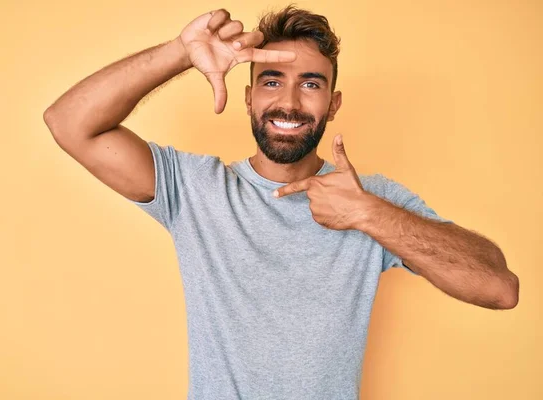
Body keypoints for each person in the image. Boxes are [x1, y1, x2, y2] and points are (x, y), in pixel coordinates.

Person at [43, 5, 520, 399]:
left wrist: (366, 213)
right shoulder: (196, 189)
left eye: (311, 84)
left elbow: (499, 287)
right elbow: (68, 123)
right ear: (249, 98)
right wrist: (179, 53)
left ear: (333, 104)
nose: (289, 101)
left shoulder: (372, 201)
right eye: (272, 81)